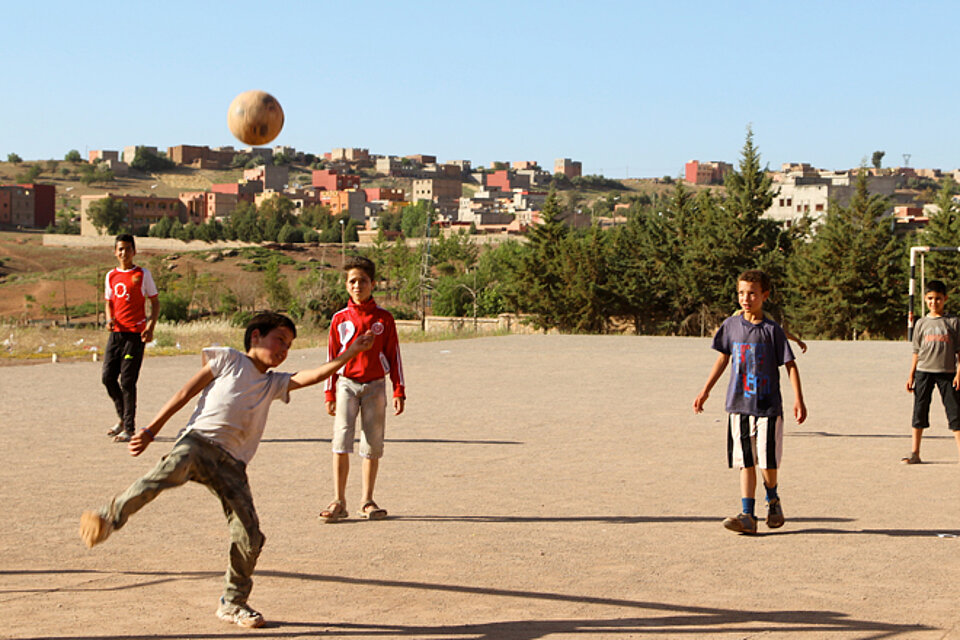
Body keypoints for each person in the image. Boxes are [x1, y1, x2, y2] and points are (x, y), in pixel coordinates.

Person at [79, 311, 374, 628]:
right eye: (279, 340)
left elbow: (314, 375)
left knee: (251, 536)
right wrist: (151, 430)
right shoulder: (229, 360)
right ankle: (109, 517)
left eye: (288, 345)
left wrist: (352, 352)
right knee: (162, 476)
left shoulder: (273, 383)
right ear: (256, 336)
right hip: (197, 445)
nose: (283, 349)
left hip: (233, 466)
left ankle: (233, 602)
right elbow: (184, 393)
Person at [693, 270, 807, 535]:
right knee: (745, 461)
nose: (746, 298)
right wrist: (706, 390)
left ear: (765, 296)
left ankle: (773, 500)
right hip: (738, 404)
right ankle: (747, 515)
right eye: (742, 293)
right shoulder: (731, 326)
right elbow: (723, 358)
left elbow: (790, 365)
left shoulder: (772, 330)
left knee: (767, 461)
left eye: (752, 293)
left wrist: (798, 399)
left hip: (768, 406)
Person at [319, 256, 405, 523]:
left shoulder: (384, 319)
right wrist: (329, 392)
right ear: (346, 285)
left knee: (372, 443)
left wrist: (398, 389)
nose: (358, 286)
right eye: (352, 281)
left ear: (373, 283)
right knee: (341, 441)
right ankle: (338, 500)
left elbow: (394, 355)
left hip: (375, 386)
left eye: (363, 281)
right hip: (346, 384)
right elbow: (331, 358)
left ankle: (367, 500)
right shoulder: (339, 319)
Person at [102, 234, 160, 442]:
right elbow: (109, 302)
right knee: (108, 378)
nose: (123, 253)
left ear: (134, 251)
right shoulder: (110, 276)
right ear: (115, 252)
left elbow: (155, 303)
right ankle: (122, 417)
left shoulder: (142, 274)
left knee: (127, 381)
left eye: (128, 249)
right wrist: (109, 319)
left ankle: (129, 428)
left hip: (135, 336)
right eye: (120, 249)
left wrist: (150, 327)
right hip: (116, 334)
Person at [904, 279, 960, 464]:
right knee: (919, 411)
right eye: (930, 298)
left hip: (947, 373)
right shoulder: (921, 323)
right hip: (924, 372)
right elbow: (916, 351)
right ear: (925, 299)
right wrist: (911, 374)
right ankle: (915, 452)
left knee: (955, 413)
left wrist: (959, 373)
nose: (933, 302)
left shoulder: (953, 322)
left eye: (937, 299)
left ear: (945, 299)